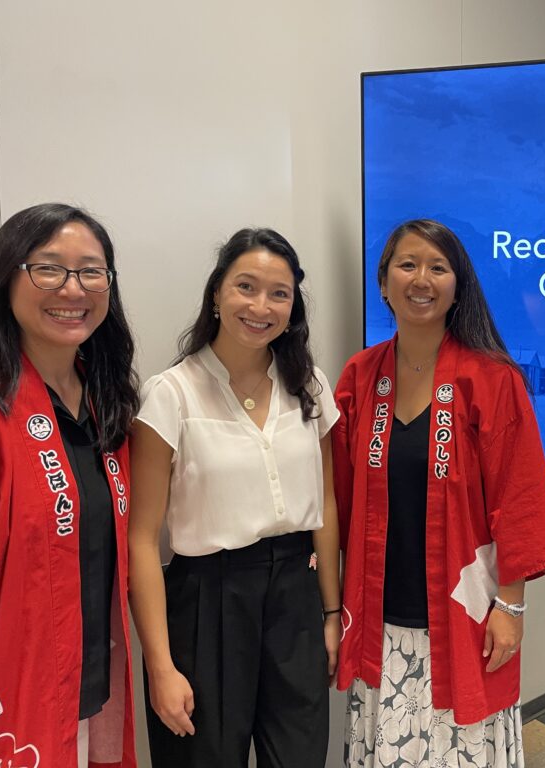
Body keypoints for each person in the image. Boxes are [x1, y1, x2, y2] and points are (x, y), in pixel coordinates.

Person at [334, 219, 545, 767]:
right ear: (384, 280)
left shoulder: (490, 379)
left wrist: (511, 606)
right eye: (408, 264)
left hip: (463, 615)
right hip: (380, 612)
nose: (422, 278)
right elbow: (339, 500)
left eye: (438, 267)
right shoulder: (360, 376)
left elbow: (519, 499)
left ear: (458, 286)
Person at [128, 228, 340, 768]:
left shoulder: (309, 386)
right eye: (245, 286)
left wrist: (333, 610)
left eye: (279, 293)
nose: (260, 306)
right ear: (217, 293)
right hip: (208, 600)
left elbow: (327, 505)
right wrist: (159, 665)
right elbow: (142, 540)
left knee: (300, 756)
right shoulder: (171, 393)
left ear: (293, 309)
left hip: (296, 594)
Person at [0, 203, 139, 767]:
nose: (73, 288)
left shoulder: (106, 405)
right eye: (48, 269)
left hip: (86, 684)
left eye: (91, 271)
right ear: (5, 278)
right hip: (2, 695)